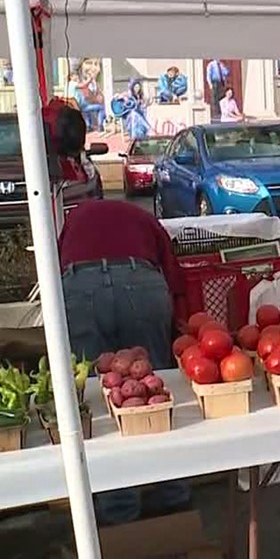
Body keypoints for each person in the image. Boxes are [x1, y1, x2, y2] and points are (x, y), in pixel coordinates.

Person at [59, 199, 191, 524]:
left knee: (97, 394)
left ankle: (119, 508)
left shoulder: (74, 218)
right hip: (140, 282)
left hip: (80, 286)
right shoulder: (144, 218)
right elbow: (173, 274)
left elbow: (55, 264)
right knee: (155, 388)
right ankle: (174, 495)